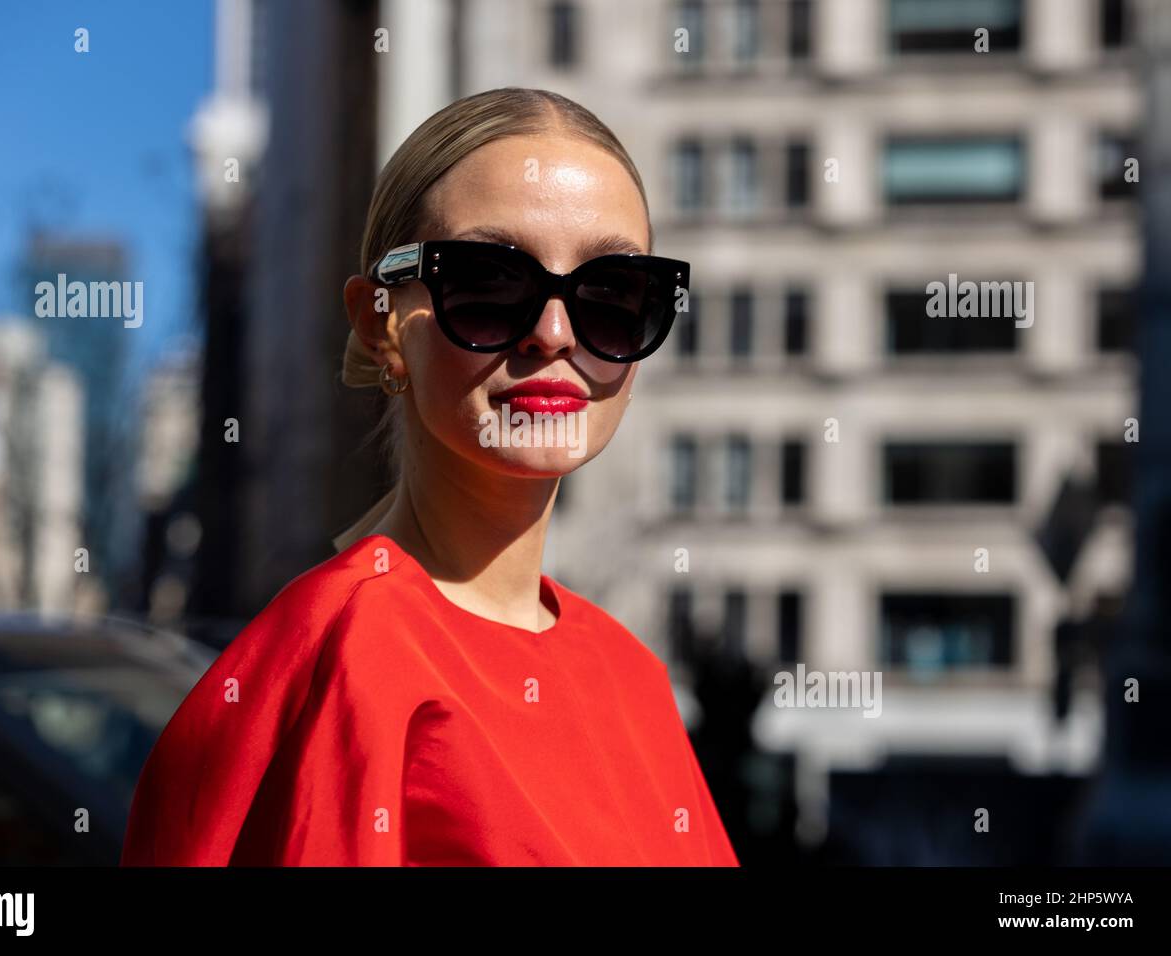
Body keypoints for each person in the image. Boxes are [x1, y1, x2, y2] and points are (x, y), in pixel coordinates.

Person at [121, 87, 739, 866]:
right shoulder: (344, 653)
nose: (555, 334)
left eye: (613, 295)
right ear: (380, 325)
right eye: (489, 284)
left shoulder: (634, 680)